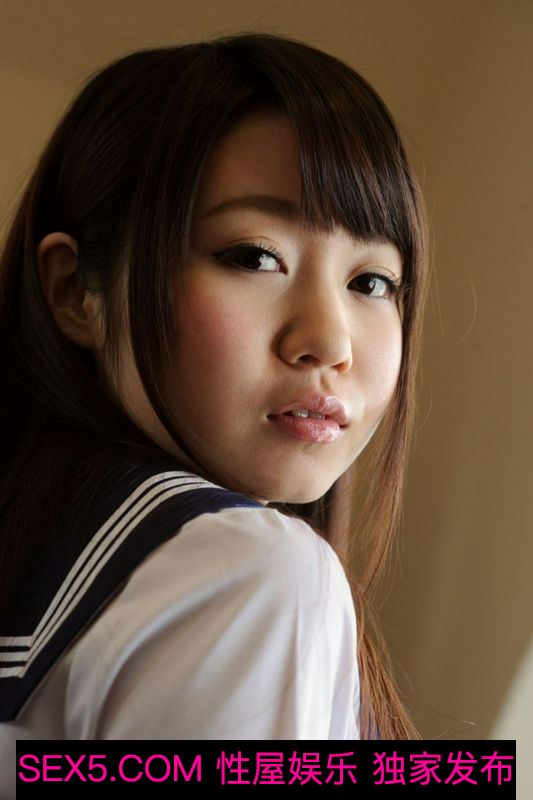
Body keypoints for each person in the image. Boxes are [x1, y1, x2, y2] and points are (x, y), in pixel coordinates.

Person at [0, 29, 428, 784]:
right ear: (75, 291)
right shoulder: (253, 573)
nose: (329, 342)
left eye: (371, 282)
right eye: (254, 256)